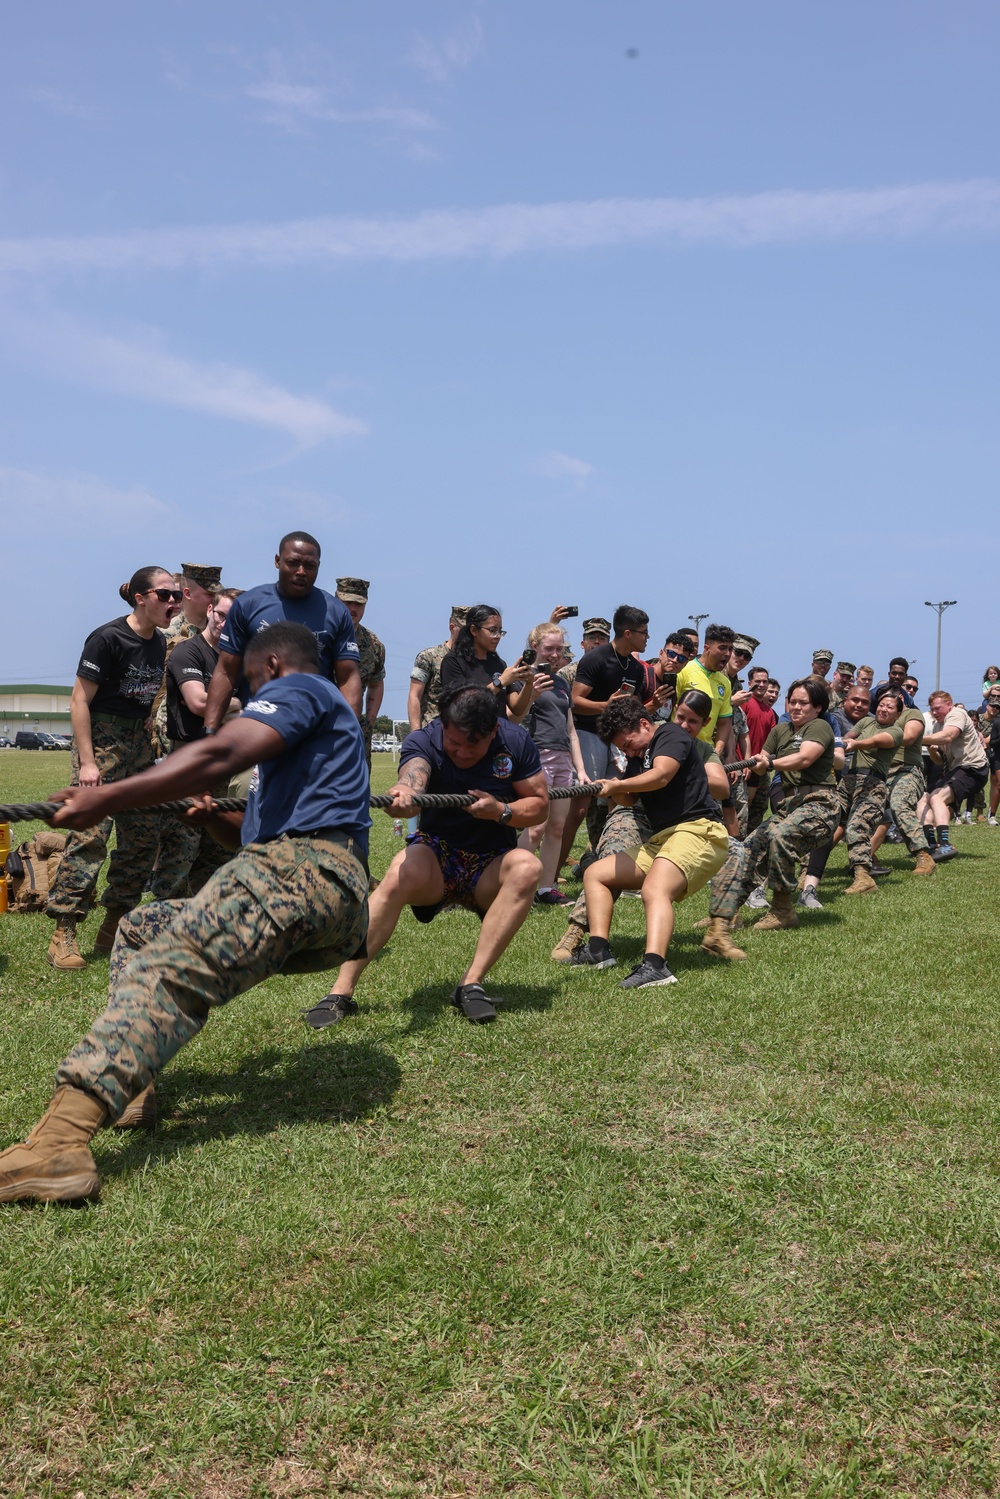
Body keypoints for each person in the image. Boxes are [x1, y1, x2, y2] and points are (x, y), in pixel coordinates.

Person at [0, 622, 372, 1205]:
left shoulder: (304, 689)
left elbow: (221, 751)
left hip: (307, 874)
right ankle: (138, 1082)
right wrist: (213, 820)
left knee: (168, 972)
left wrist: (106, 796)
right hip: (324, 903)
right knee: (144, 928)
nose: (251, 703)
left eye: (250, 686)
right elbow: (251, 848)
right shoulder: (296, 765)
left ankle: (59, 1145)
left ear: (272, 666)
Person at [319, 686, 547, 1026]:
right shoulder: (424, 740)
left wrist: (501, 811)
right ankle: (340, 992)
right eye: (454, 743)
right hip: (437, 856)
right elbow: (413, 776)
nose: (463, 753)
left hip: (491, 863)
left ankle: (470, 984)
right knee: (398, 871)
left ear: (494, 731)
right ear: (443, 725)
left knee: (529, 867)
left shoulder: (515, 741)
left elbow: (539, 805)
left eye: (474, 745)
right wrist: (406, 793)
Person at [45, 568, 181, 971]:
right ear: (141, 597)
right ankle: (63, 930)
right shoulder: (107, 638)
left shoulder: (160, 643)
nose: (173, 602)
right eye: (165, 594)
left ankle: (115, 924)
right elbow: (78, 701)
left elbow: (149, 695)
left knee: (142, 837)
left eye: (177, 594)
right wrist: (88, 762)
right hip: (101, 741)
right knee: (90, 837)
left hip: (138, 747)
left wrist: (146, 722)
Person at [552, 689, 728, 965]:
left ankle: (655, 966)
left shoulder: (670, 734)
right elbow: (630, 797)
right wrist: (609, 788)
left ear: (645, 724)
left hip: (698, 831)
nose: (629, 751)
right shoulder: (637, 757)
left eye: (628, 743)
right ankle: (598, 950)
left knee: (654, 889)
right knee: (596, 873)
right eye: (623, 749)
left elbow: (661, 776)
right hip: (664, 838)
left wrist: (618, 784)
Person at [701, 677, 841, 953]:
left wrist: (771, 762)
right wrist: (757, 764)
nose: (797, 707)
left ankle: (782, 909)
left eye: (804, 703)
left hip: (820, 802)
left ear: (818, 708)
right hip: (790, 804)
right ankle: (727, 913)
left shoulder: (820, 726)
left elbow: (804, 758)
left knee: (781, 835)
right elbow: (762, 763)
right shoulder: (781, 730)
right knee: (748, 848)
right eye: (793, 702)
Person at [203, 531, 361, 731]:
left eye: (310, 565)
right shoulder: (248, 605)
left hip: (313, 729)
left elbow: (348, 677)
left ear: (318, 566)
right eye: (293, 562)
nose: (301, 571)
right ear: (278, 561)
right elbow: (226, 671)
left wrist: (348, 733)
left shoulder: (336, 612)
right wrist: (210, 730)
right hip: (258, 725)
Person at [156, 589, 245, 898]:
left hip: (223, 767)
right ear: (209, 610)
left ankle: (203, 928)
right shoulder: (188, 652)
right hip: (189, 765)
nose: (225, 623)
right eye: (221, 614)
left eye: (234, 618)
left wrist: (224, 703)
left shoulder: (239, 660)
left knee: (218, 856)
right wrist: (236, 702)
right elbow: (196, 702)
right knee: (179, 855)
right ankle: (159, 928)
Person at [571, 605, 653, 848]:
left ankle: (609, 857)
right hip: (589, 734)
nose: (647, 637)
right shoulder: (596, 659)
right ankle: (550, 879)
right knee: (581, 807)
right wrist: (606, 705)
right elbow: (575, 701)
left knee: (619, 801)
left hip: (620, 741)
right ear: (628, 633)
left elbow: (632, 705)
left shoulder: (637, 669)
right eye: (644, 633)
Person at [517, 623, 587, 906]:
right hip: (537, 757)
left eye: (560, 649)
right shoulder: (523, 678)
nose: (555, 654)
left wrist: (580, 770)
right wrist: (530, 691)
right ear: (535, 647)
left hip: (563, 760)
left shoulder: (561, 683)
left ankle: (545, 888)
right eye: (549, 649)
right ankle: (517, 883)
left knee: (557, 828)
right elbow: (515, 715)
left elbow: (571, 731)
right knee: (534, 828)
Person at [919, 691, 990, 861]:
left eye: (938, 708)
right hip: (957, 770)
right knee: (923, 797)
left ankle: (944, 845)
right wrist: (930, 747)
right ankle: (930, 844)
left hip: (974, 768)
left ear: (949, 704)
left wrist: (916, 739)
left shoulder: (957, 714)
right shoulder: (937, 726)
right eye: (932, 710)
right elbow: (937, 761)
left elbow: (949, 735)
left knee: (937, 798)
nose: (934, 712)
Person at [868, 694, 934, 874]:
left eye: (890, 705)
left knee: (899, 803)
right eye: (881, 704)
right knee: (867, 811)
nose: (884, 708)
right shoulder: (872, 723)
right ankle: (864, 858)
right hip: (880, 774)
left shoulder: (911, 714)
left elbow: (910, 736)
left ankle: (924, 855)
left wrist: (878, 739)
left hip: (906, 771)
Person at [439, 604, 537, 723]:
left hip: (498, 734)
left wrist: (528, 683)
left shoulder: (499, 664)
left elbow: (517, 709)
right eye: (492, 631)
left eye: (500, 631)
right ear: (474, 630)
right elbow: (461, 706)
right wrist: (500, 682)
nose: (498, 636)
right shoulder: (454, 661)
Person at [336, 577, 385, 769]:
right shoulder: (319, 634)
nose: (353, 608)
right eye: (347, 602)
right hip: (322, 724)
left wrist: (369, 722)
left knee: (357, 784)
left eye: (358, 603)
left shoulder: (373, 644)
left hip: (356, 730)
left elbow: (376, 683)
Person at [671, 624, 735, 751]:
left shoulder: (725, 683)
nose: (727, 654)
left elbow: (724, 722)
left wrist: (718, 749)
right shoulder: (684, 670)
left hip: (705, 750)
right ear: (706, 648)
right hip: (677, 745)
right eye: (722, 648)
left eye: (730, 649)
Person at [408, 607, 468, 731]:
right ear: (452, 627)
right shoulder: (428, 657)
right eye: (465, 630)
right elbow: (414, 696)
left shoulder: (473, 660)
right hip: (432, 729)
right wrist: (416, 734)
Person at [744, 666, 777, 835]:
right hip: (742, 764)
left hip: (760, 766)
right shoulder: (744, 702)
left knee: (758, 807)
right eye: (758, 681)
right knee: (742, 806)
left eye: (765, 681)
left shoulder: (770, 712)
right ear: (750, 683)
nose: (762, 685)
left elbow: (772, 739)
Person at [558, 616, 611, 688]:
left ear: (609, 646)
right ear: (582, 644)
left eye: (602, 638)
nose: (597, 642)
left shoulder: (616, 672)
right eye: (591, 637)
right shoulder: (567, 673)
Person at [982, 685, 1000, 823]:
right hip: (990, 755)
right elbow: (991, 741)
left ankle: (991, 812)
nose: (995, 709)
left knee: (995, 783)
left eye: (998, 706)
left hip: (994, 753)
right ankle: (989, 814)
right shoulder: (980, 717)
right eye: (993, 705)